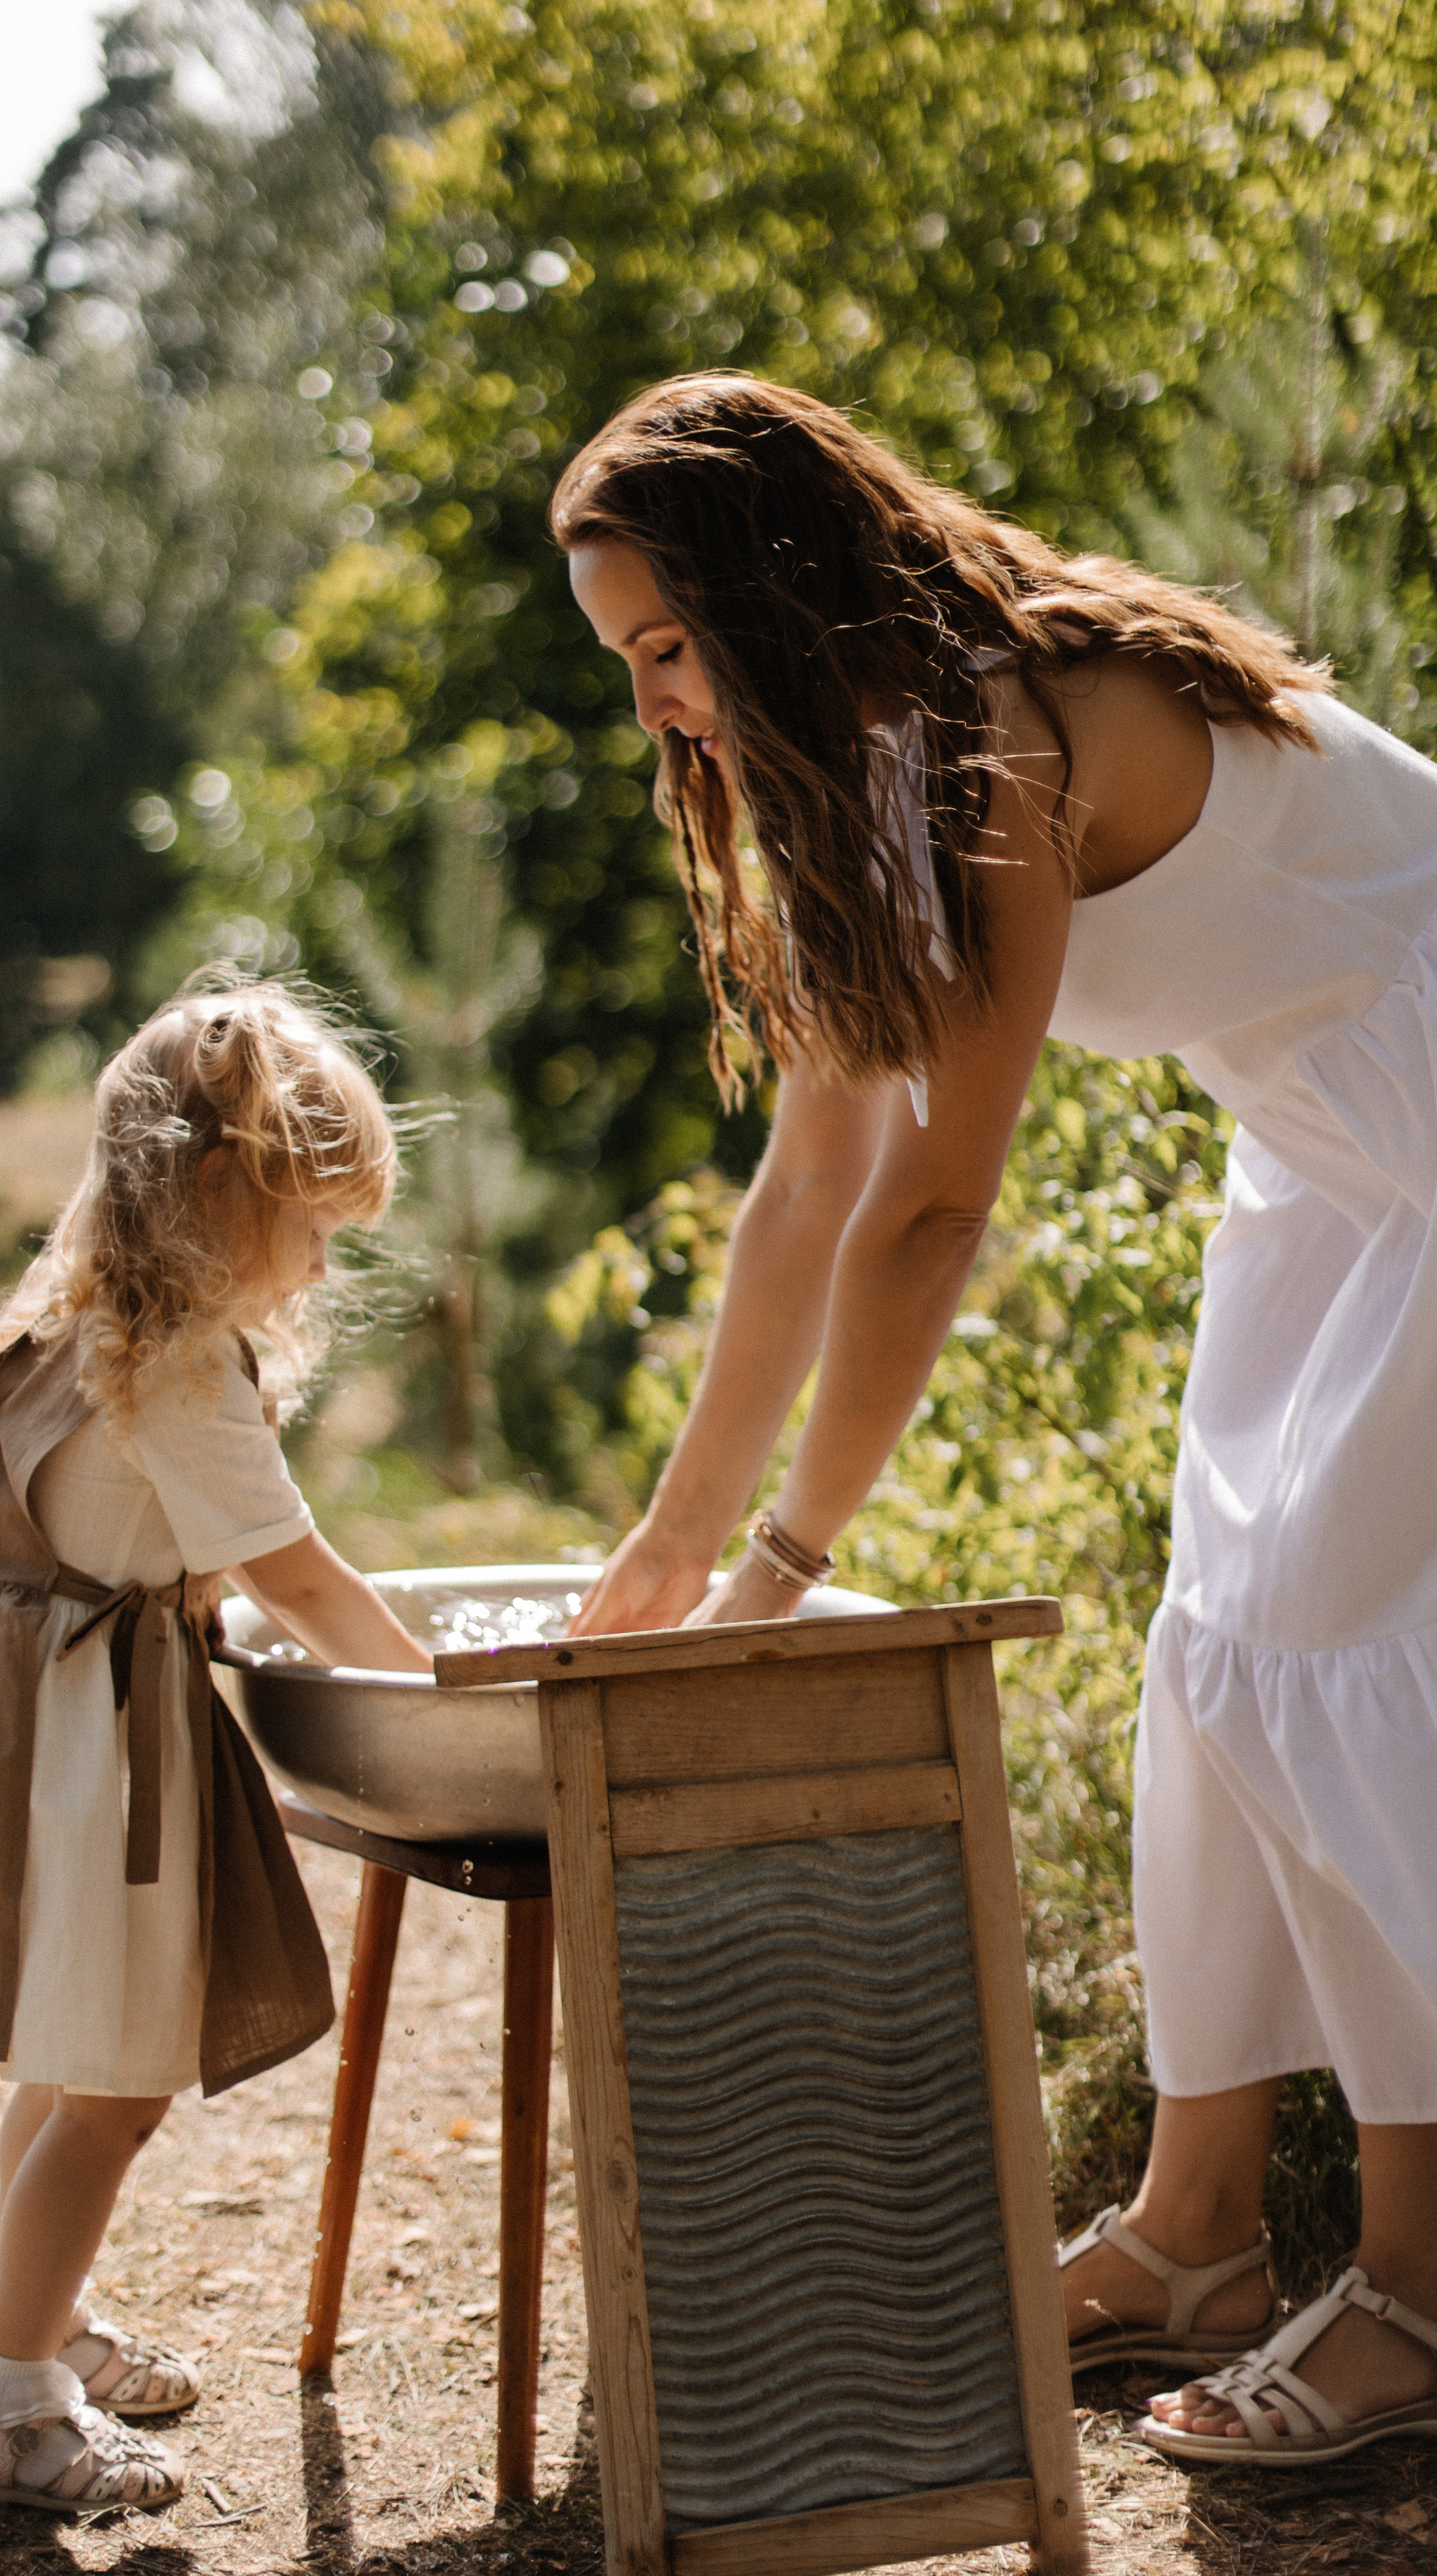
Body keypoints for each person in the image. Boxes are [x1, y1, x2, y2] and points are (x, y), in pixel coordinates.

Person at [551, 372, 1437, 2467]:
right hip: (1323, 1142)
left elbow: (935, 1213)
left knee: (1336, 1650)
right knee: (1215, 1655)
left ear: (768, 583)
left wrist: (791, 1563)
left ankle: (1413, 2293)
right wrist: (678, 1546)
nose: (660, 707)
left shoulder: (985, 731)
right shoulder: (858, 758)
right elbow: (810, 1188)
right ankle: (1196, 2230)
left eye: (667, 648)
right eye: (629, 670)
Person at [0, 978, 431, 2514]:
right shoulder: (181, 1361)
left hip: (21, 1713)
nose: (320, 1255)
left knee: (67, 2041)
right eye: (309, 1216)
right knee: (117, 2089)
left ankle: (33, 2315)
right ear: (219, 1191)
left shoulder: (75, 1309)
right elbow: (300, 1576)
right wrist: (455, 1689)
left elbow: (134, 1534)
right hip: (92, 1741)